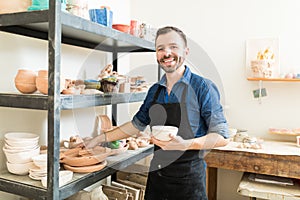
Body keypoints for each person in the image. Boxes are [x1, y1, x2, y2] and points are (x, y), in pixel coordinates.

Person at [86, 26, 229, 200]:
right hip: (158, 180)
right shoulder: (155, 91)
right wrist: (99, 139)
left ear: (186, 51)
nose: (166, 53)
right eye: (160, 48)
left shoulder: (202, 87)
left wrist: (185, 144)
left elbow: (221, 137)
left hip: (189, 182)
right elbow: (135, 125)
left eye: (173, 47)